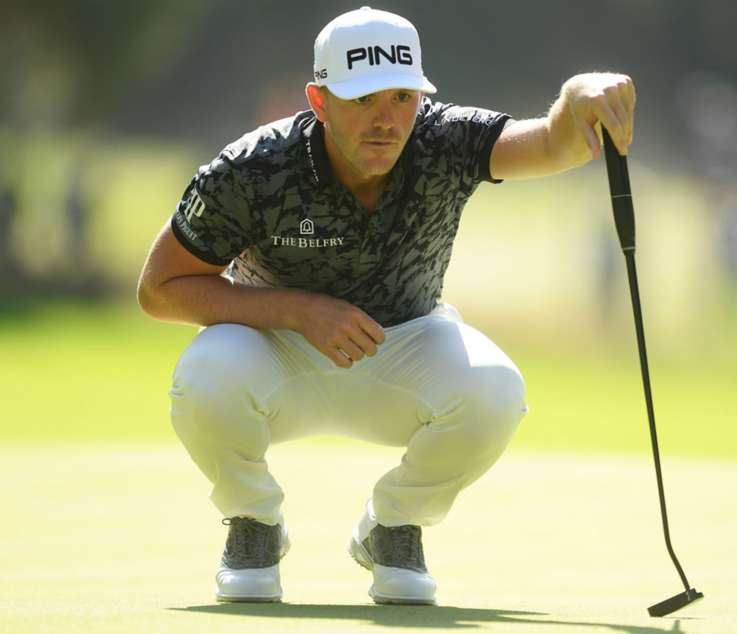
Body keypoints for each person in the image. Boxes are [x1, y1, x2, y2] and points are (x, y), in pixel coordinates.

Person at [137, 6, 635, 606]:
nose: (385, 119)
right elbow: (159, 288)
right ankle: (254, 522)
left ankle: (393, 526)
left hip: (406, 347)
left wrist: (578, 95)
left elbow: (556, 144)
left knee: (496, 390)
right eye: (362, 99)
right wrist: (299, 311)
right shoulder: (254, 167)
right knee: (205, 375)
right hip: (273, 352)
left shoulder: (444, 138)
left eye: (402, 97)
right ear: (320, 101)